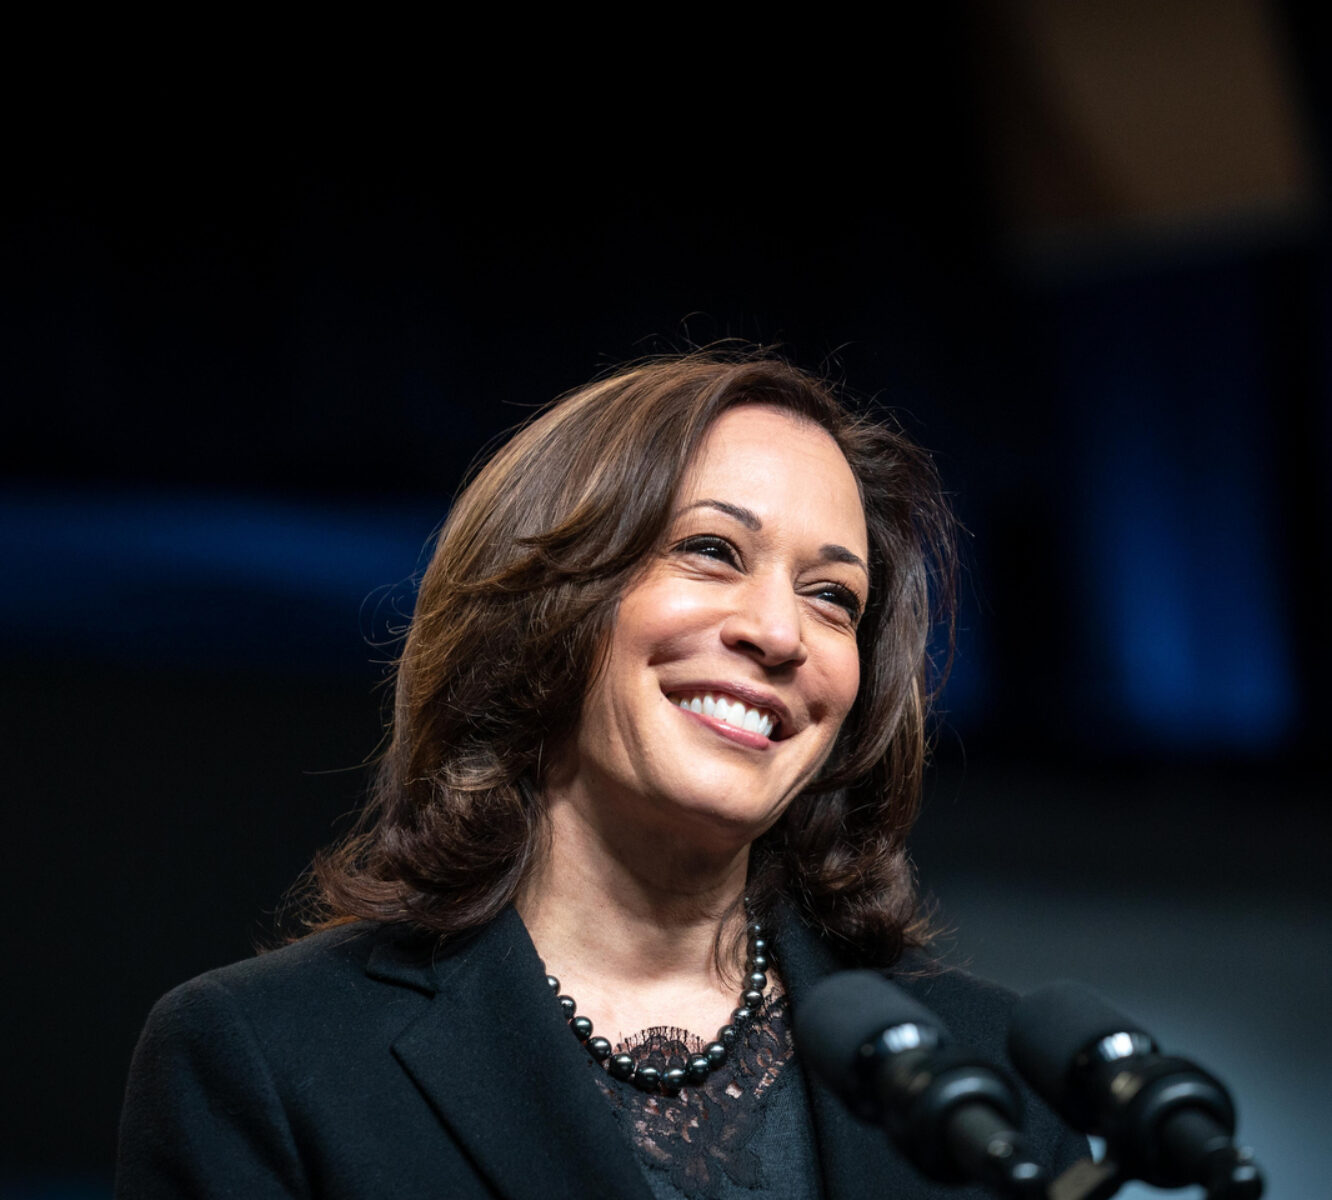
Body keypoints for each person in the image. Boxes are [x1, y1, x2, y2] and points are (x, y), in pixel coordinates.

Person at [116, 354, 1082, 1199]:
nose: (780, 633)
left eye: (832, 597)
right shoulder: (264, 1059)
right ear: (548, 605)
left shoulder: (995, 1079)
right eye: (711, 551)